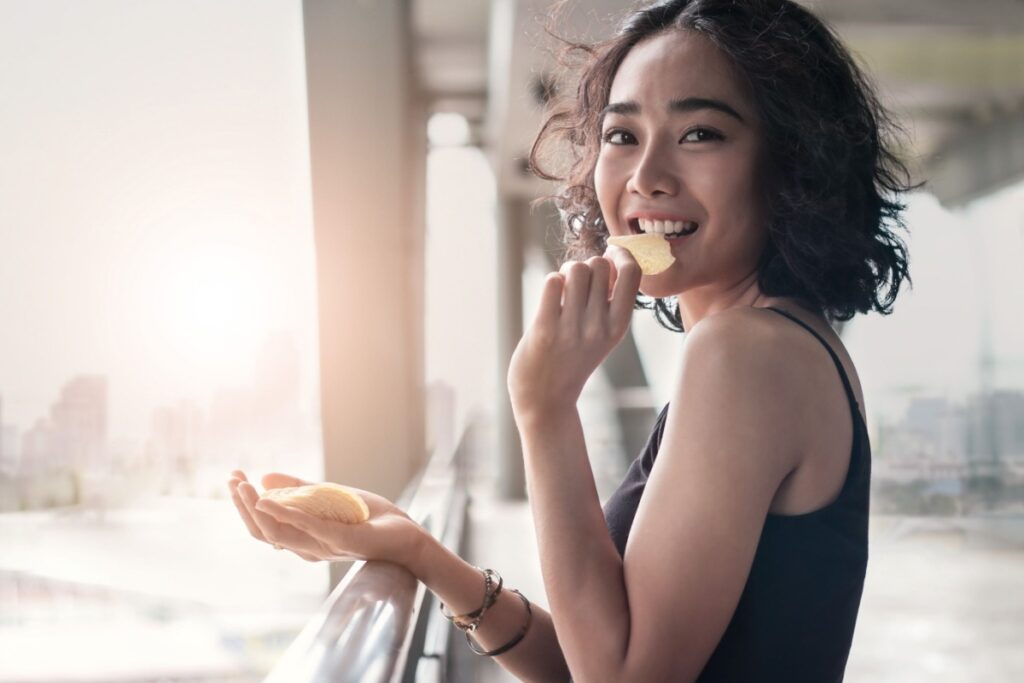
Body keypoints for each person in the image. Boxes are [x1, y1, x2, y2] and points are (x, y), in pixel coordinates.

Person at [228, 0, 915, 680]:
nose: (646, 176)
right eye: (622, 136)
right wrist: (417, 549)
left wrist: (543, 406)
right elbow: (593, 654)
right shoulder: (779, 346)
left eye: (700, 133)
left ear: (791, 163)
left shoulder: (745, 353)